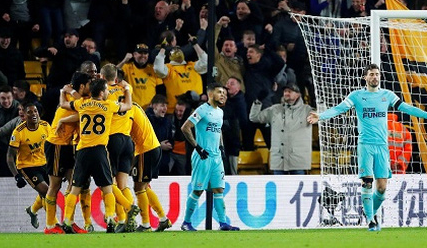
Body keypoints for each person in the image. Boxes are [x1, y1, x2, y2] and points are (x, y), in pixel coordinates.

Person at [307, 63, 427, 231]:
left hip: (382, 147)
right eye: (371, 74)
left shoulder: (387, 95)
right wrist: (321, 116)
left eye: (377, 74)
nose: (374, 77)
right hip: (365, 145)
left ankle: (370, 212)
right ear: (365, 77)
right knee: (367, 183)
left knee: (381, 188)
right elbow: (339, 109)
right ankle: (371, 220)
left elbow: (407, 108)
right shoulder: (357, 96)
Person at [57, 78, 135, 233]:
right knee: (107, 188)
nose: (107, 92)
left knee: (75, 189)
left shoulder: (82, 104)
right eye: (106, 90)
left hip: (82, 151)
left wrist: (62, 92)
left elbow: (63, 104)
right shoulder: (108, 105)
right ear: (101, 92)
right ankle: (111, 219)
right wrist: (127, 90)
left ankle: (66, 220)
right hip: (99, 151)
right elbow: (128, 106)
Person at [180, 83, 240, 232]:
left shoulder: (220, 112)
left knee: (218, 189)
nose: (223, 95)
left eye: (225, 93)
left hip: (216, 157)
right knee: (198, 190)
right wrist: (197, 147)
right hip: (203, 156)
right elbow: (185, 127)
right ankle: (186, 223)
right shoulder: (202, 110)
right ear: (210, 93)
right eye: (220, 92)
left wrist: (221, 147)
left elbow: (218, 130)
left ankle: (223, 223)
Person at [43, 72, 92, 234]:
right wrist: (67, 92)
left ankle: (68, 221)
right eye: (89, 83)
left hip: (67, 145)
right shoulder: (78, 101)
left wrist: (66, 91)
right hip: (56, 144)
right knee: (55, 185)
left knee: (75, 183)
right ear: (82, 86)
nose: (91, 87)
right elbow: (82, 113)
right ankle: (50, 225)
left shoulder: (75, 98)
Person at [100, 64, 138, 232]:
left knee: (108, 183)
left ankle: (124, 214)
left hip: (112, 139)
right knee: (122, 184)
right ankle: (129, 222)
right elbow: (129, 105)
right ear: (116, 77)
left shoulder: (102, 92)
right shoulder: (126, 90)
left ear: (101, 77)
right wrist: (127, 87)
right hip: (128, 140)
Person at [250, 82, 313, 175]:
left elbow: (323, 116)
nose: (286, 93)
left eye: (290, 91)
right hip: (279, 161)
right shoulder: (275, 109)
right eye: (285, 91)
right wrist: (258, 102)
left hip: (298, 162)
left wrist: (320, 100)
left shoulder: (307, 110)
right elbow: (254, 117)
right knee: (280, 189)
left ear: (298, 94)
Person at [128, 103, 172, 232]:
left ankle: (146, 224)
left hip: (145, 149)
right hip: (151, 147)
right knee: (144, 186)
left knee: (139, 187)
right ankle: (163, 219)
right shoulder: (134, 106)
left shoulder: (127, 109)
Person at [7, 103, 50, 231]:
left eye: (35, 111)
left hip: (44, 163)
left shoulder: (45, 126)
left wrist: (57, 166)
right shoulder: (18, 132)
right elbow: (10, 157)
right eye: (29, 112)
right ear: (24, 116)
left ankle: (32, 210)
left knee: (49, 193)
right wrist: (16, 176)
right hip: (27, 167)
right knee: (46, 192)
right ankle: (53, 223)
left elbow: (53, 145)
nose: (33, 114)